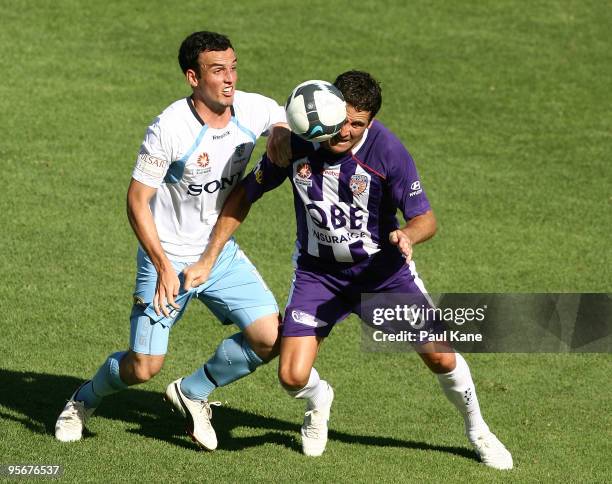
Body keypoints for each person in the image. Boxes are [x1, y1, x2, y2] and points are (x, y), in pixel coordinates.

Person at [190, 71, 513, 469]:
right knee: (292, 376)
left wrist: (409, 235)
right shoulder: (300, 139)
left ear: (370, 122)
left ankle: (478, 429)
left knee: (441, 358)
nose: (344, 131)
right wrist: (209, 254)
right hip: (318, 277)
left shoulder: (387, 152)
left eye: (357, 124)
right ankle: (319, 401)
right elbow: (247, 192)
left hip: (381, 277)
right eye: (340, 119)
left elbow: (425, 218)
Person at [55, 31, 289, 451]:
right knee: (144, 366)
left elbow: (287, 117)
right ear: (193, 78)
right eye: (218, 71)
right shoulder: (170, 128)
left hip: (217, 254)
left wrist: (280, 132)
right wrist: (163, 266)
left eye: (233, 67)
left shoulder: (251, 109)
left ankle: (194, 392)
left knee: (270, 338)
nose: (230, 78)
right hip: (168, 257)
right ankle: (82, 401)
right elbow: (136, 200)